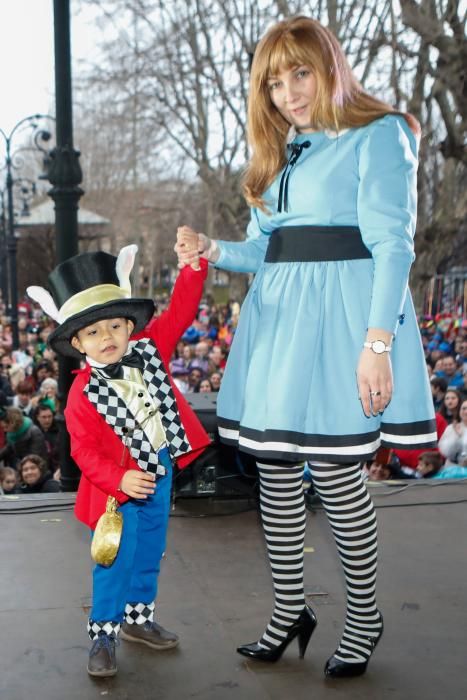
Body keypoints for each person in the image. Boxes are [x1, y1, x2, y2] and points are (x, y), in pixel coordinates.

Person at [175, 16, 436, 678]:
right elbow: (265, 250)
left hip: (343, 323)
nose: (288, 91)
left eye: (299, 72)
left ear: (328, 68)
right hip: (280, 324)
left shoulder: (379, 134)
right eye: (273, 80)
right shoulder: (280, 151)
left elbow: (392, 244)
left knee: (341, 478)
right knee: (277, 473)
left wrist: (376, 343)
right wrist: (213, 249)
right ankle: (290, 610)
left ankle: (365, 617)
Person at [27, 245, 210, 678]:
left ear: (130, 326)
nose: (106, 337)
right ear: (76, 342)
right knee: (113, 560)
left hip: (159, 474)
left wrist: (194, 267)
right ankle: (103, 633)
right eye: (93, 332)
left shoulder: (150, 349)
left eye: (114, 325)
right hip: (116, 494)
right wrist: (119, 479)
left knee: (149, 553)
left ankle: (137, 619)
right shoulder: (80, 394)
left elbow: (182, 311)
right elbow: (83, 452)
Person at [439, 399, 467, 467]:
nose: (466, 411)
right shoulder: (451, 428)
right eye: (463, 408)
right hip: (454, 469)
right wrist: (457, 437)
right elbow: (445, 452)